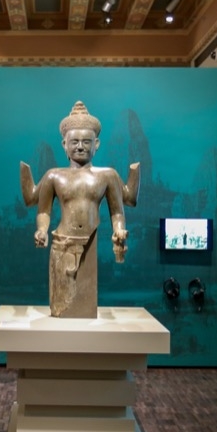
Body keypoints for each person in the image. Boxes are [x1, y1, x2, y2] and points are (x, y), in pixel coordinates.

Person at [20, 101, 140, 318]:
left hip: (90, 243)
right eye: (74, 142)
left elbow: (118, 210)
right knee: (62, 306)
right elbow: (43, 210)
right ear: (64, 144)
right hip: (62, 244)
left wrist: (119, 229)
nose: (80, 146)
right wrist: (41, 230)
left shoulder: (108, 175)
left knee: (86, 303)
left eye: (87, 141)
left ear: (98, 144)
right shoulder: (54, 175)